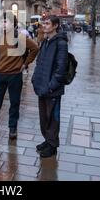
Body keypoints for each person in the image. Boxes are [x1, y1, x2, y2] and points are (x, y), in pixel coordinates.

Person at [0, 13, 39, 140]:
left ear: (13, 23)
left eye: (5, 22)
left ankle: (12, 128)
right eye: (1, 22)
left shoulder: (20, 37)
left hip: (15, 75)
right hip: (0, 74)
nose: (3, 24)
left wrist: (25, 64)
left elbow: (35, 48)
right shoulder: (1, 37)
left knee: (14, 103)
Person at [31, 15, 69, 158]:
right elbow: (39, 62)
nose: (44, 26)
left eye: (47, 24)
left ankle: (53, 145)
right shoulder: (45, 41)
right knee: (44, 117)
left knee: (53, 117)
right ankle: (47, 140)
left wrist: (51, 86)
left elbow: (61, 68)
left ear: (55, 26)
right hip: (42, 86)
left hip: (52, 89)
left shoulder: (61, 43)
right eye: (43, 23)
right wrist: (35, 79)